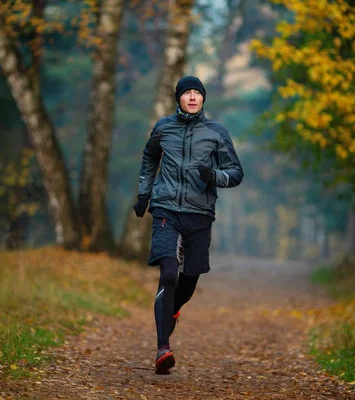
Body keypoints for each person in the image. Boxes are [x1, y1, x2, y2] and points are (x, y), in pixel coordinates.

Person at [132, 76, 244, 374]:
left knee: (189, 279)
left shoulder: (216, 132)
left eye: (197, 93)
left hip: (200, 213)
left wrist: (214, 177)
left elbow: (235, 172)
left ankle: (173, 310)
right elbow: (149, 157)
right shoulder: (163, 128)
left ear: (203, 99)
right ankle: (162, 347)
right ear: (178, 98)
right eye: (187, 93)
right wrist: (144, 194)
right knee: (168, 273)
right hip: (166, 208)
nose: (192, 97)